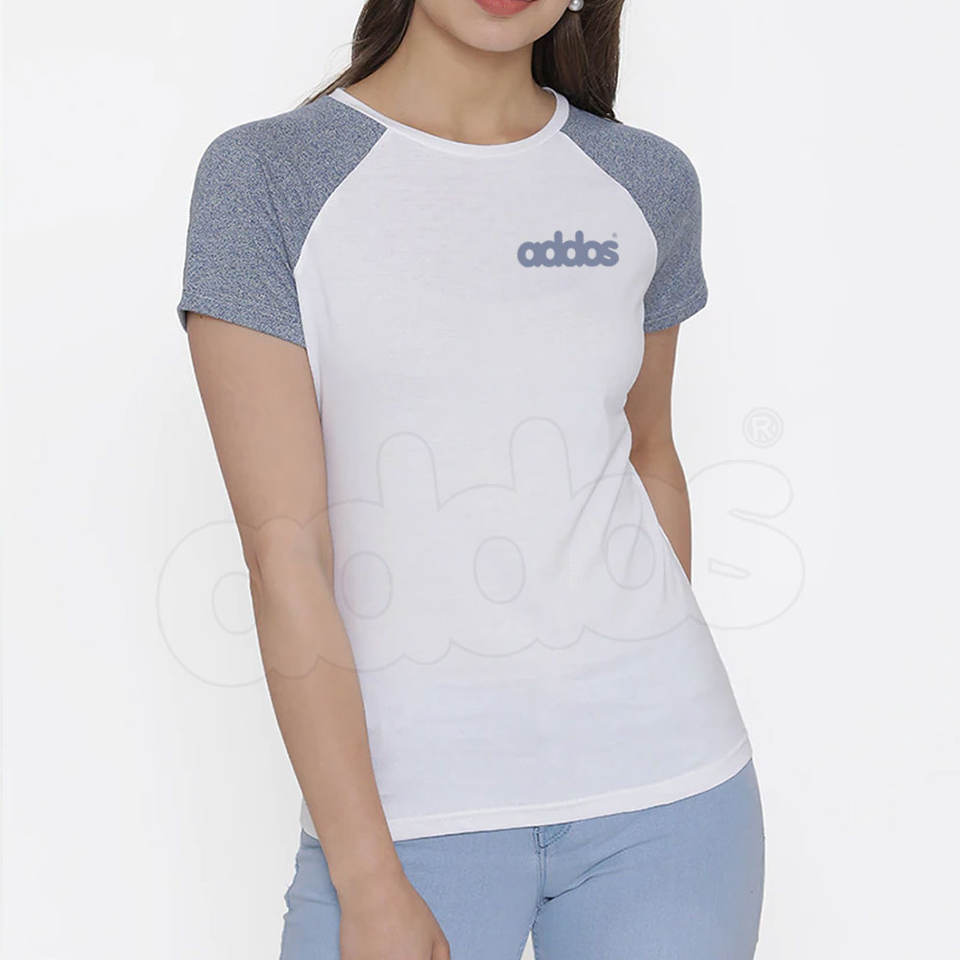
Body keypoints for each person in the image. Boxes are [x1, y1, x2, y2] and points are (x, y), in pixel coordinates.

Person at [175, 1, 765, 957]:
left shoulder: (646, 180)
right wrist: (366, 876)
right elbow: (285, 557)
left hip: (671, 798)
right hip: (406, 821)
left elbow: (647, 452)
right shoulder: (268, 177)